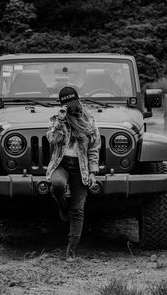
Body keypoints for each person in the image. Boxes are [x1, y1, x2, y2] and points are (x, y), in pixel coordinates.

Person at [46, 86, 101, 261]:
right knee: (57, 184)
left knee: (78, 210)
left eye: (73, 102)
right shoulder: (57, 119)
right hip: (61, 165)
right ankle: (62, 207)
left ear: (77, 101)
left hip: (81, 168)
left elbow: (94, 149)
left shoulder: (89, 121)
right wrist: (61, 121)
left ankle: (71, 250)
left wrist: (93, 173)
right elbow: (52, 139)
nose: (71, 106)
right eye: (66, 104)